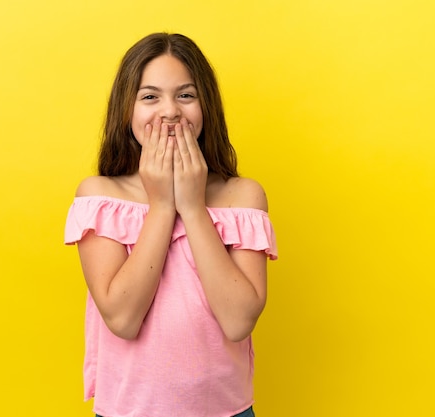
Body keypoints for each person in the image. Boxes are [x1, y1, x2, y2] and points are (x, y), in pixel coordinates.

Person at [65, 32, 277, 417]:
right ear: (126, 110)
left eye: (186, 95)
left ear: (206, 106)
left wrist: (193, 208)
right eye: (150, 97)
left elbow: (237, 321)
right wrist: (162, 206)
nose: (170, 112)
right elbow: (123, 319)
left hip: (228, 411)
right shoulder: (100, 197)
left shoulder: (243, 196)